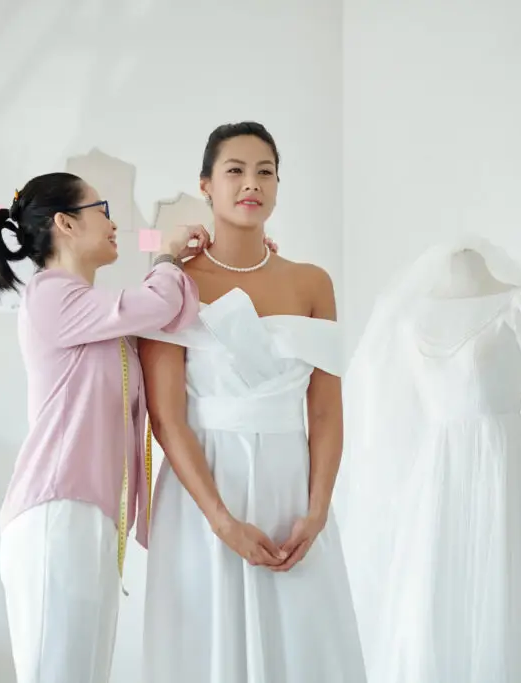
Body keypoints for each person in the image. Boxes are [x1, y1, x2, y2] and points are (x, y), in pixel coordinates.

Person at [137, 122, 367, 682]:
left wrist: (317, 509)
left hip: (291, 488)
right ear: (206, 185)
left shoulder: (313, 282)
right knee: (207, 651)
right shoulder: (174, 283)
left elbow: (326, 410)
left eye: (265, 171)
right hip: (204, 495)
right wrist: (221, 520)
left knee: (304, 645)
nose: (251, 183)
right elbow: (167, 419)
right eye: (235, 170)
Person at [0, 171, 209, 683]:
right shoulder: (50, 296)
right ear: (65, 223)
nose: (113, 223)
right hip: (56, 514)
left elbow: (172, 317)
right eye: (101, 209)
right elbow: (160, 303)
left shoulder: (96, 316)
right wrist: (168, 258)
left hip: (90, 519)